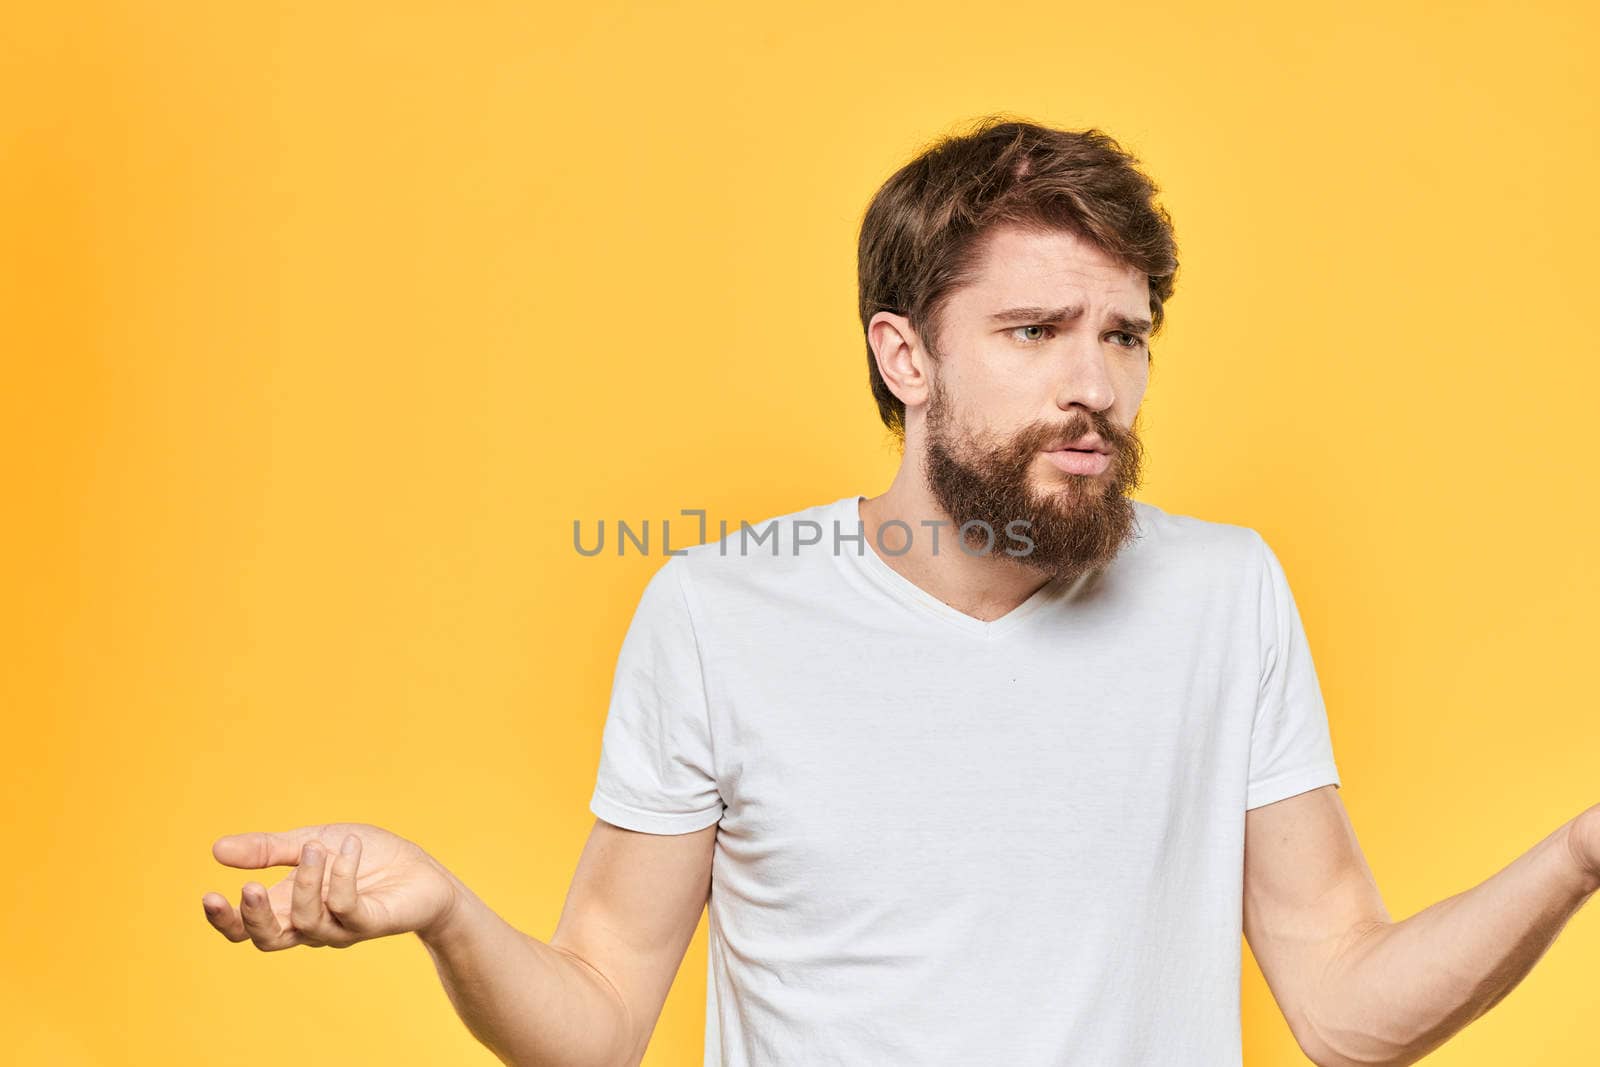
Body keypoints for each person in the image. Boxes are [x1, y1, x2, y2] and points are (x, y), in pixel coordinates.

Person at [201, 117, 1600, 1067]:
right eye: (1035, 330)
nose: (1094, 386)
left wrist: (1578, 856)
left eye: (1125, 336)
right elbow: (599, 1015)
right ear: (904, 356)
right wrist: (446, 910)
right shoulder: (718, 612)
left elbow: (1346, 1005)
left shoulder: (1224, 595)